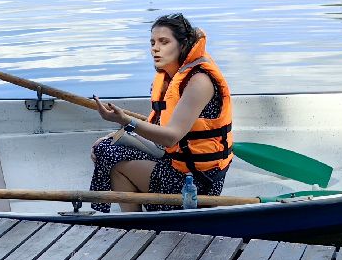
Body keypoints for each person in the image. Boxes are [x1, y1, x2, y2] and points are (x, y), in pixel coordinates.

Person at [88, 13, 233, 212]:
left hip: (196, 183)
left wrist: (125, 120)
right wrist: (116, 135)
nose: (155, 48)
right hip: (177, 165)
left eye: (164, 42)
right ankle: (138, 223)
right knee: (106, 147)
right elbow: (157, 127)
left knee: (112, 158)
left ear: (183, 45)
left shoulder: (199, 81)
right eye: (153, 42)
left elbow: (171, 138)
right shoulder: (170, 79)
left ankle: (135, 228)